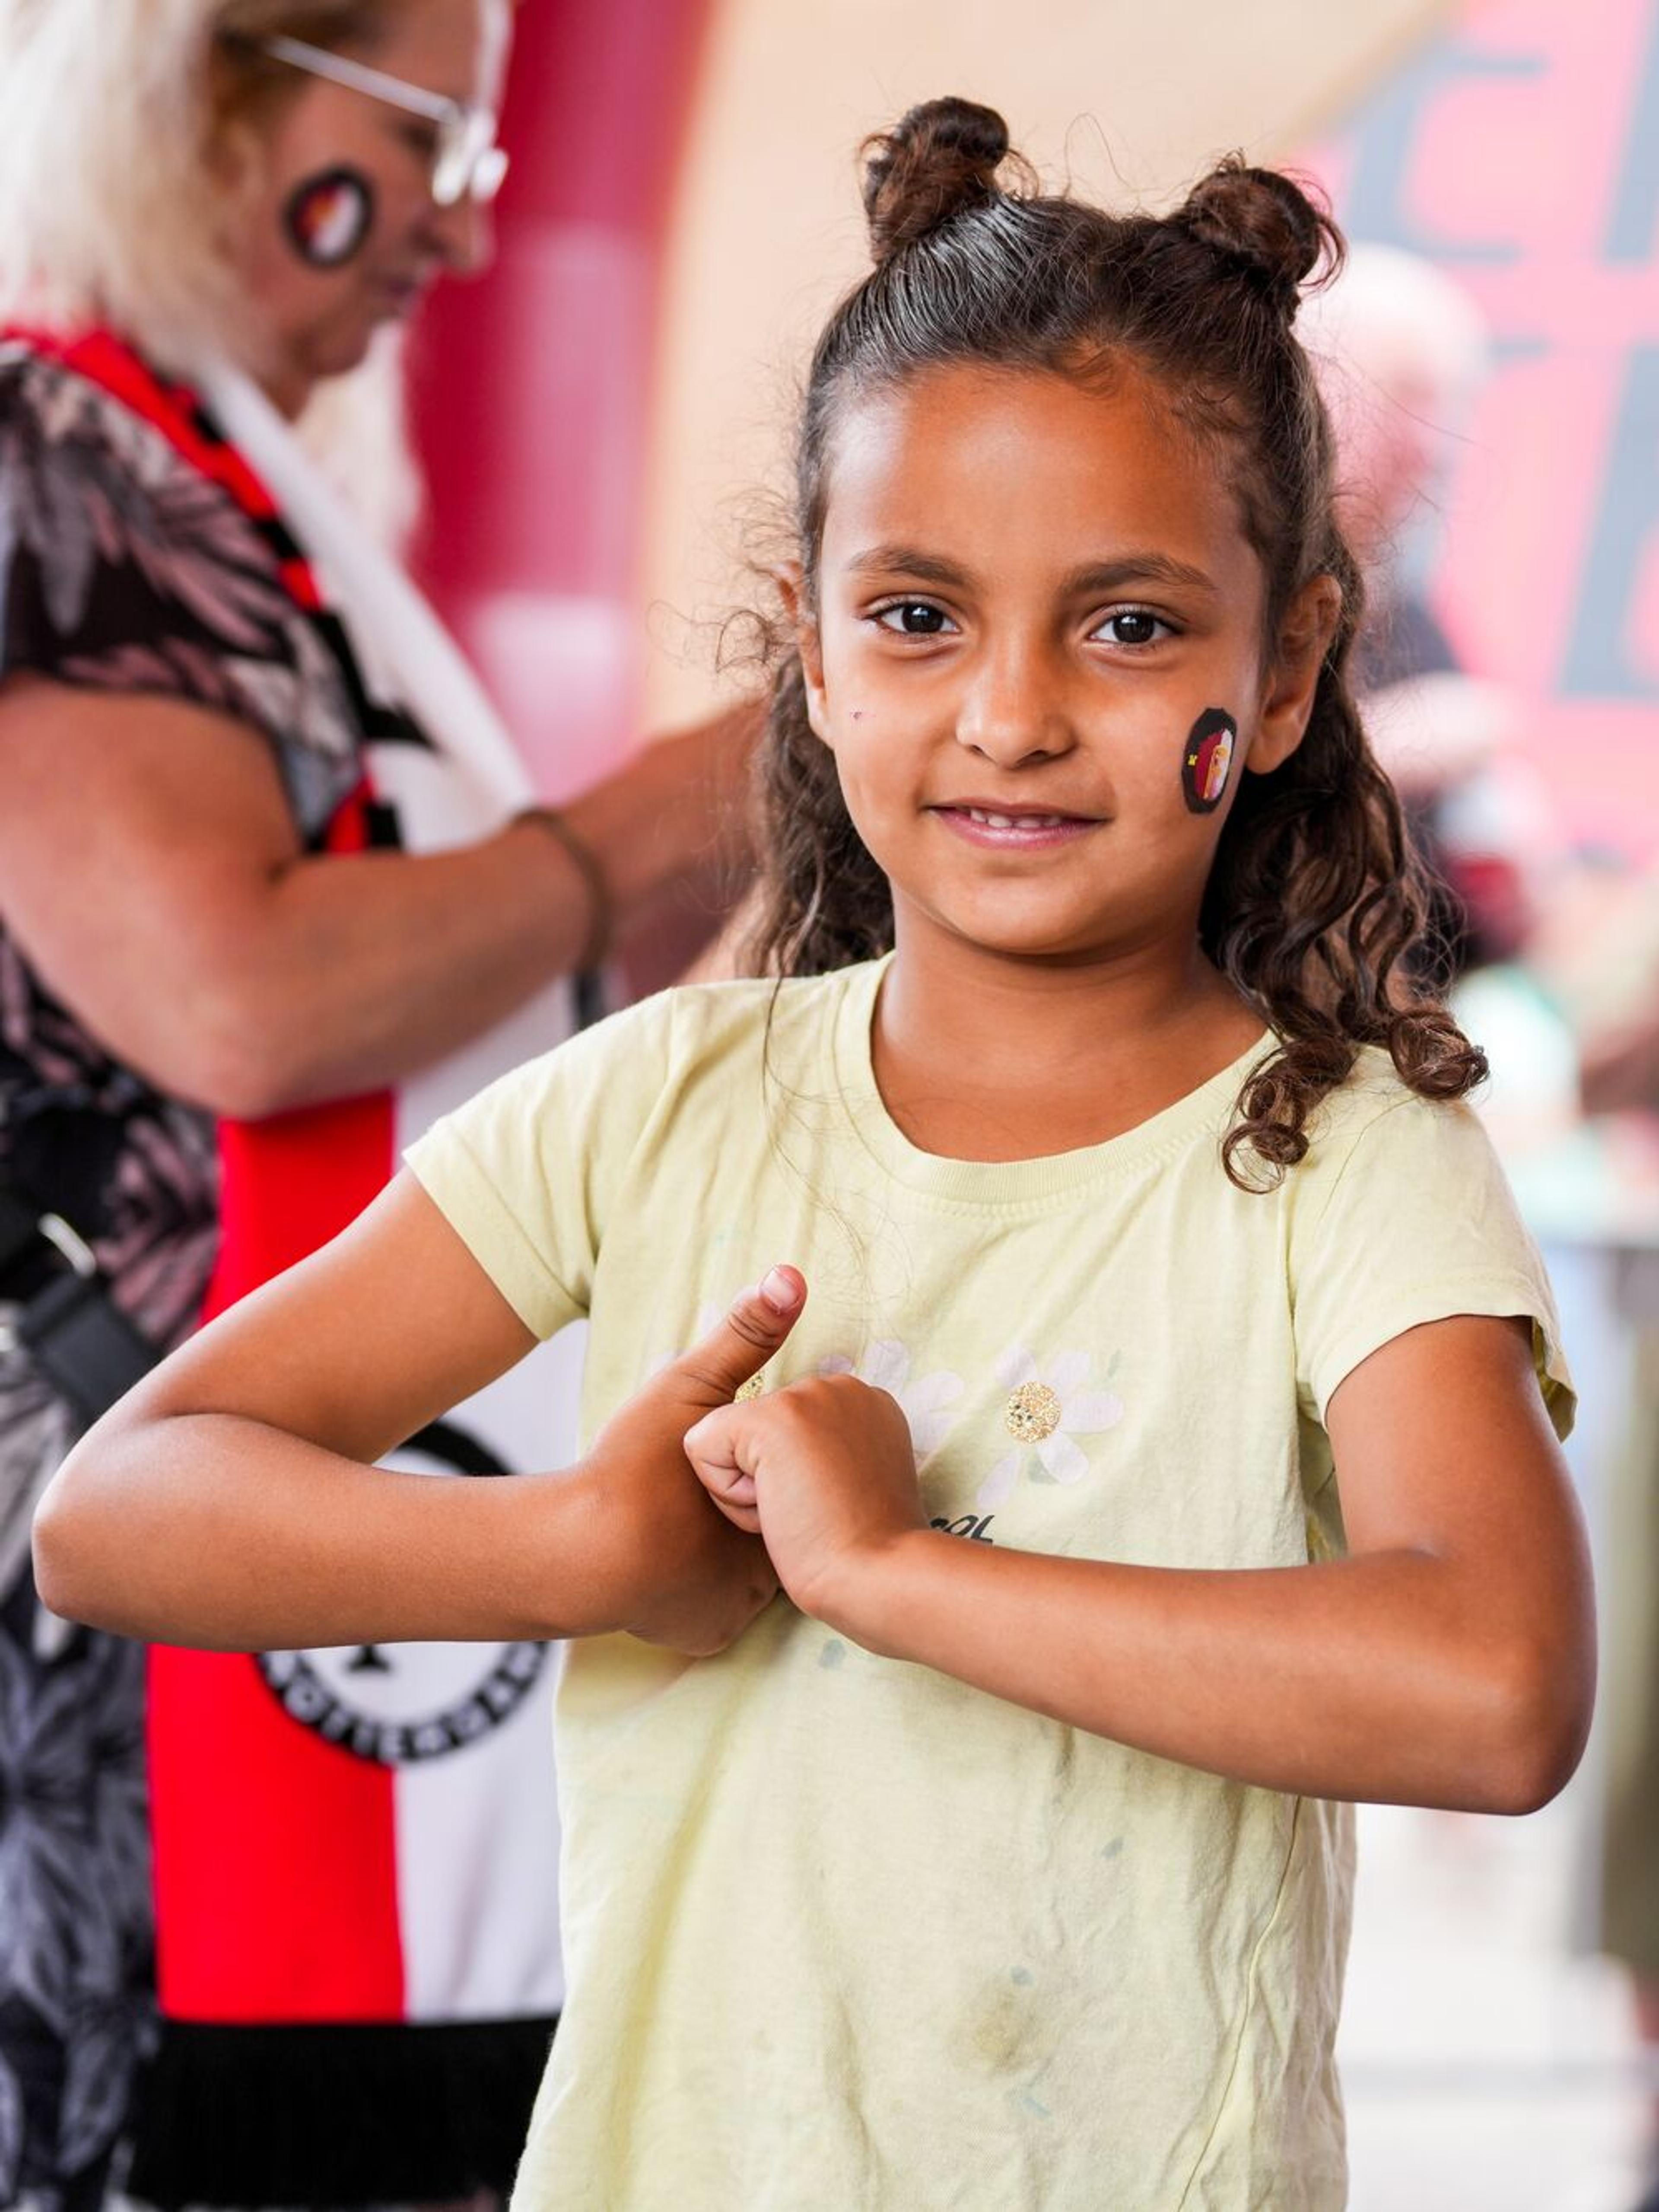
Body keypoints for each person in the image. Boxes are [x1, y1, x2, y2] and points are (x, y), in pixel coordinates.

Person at [34, 99, 1595, 2211]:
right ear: (813, 642)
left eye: (1129, 626)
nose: (1013, 713)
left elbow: (1498, 1690)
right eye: (920, 615)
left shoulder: (1338, 1150)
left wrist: (896, 1574)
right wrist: (574, 1554)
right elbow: (116, 1509)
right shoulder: (659, 1102)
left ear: (1292, 660)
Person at [0, 2, 752, 2205]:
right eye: (428, 140)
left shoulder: (245, 485)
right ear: (203, 96)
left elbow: (489, 1018)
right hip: (117, 1561)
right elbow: (233, 995)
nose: (453, 224)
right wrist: (649, 818)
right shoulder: (60, 449)